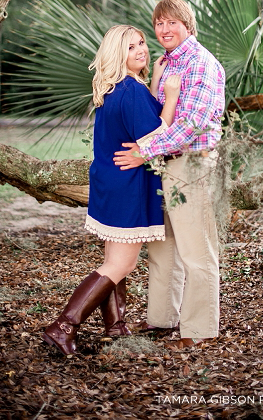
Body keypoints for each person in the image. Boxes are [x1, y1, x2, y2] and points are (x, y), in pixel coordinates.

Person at [43, 24, 179, 355]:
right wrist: (172, 96)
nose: (142, 49)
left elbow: (140, 121)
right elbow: (157, 137)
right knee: (120, 265)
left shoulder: (115, 88)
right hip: (127, 188)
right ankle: (63, 327)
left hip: (110, 182)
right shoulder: (130, 90)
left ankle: (115, 327)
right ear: (118, 54)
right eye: (131, 47)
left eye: (142, 43)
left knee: (113, 259)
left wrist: (157, 82)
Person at [113, 0, 226, 349]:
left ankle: (199, 330)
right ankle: (162, 320)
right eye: (159, 23)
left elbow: (190, 123)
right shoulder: (166, 63)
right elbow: (160, 115)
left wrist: (143, 151)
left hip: (191, 163)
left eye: (171, 22)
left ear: (186, 25)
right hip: (162, 164)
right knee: (163, 249)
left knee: (196, 250)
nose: (163, 30)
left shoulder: (201, 63)